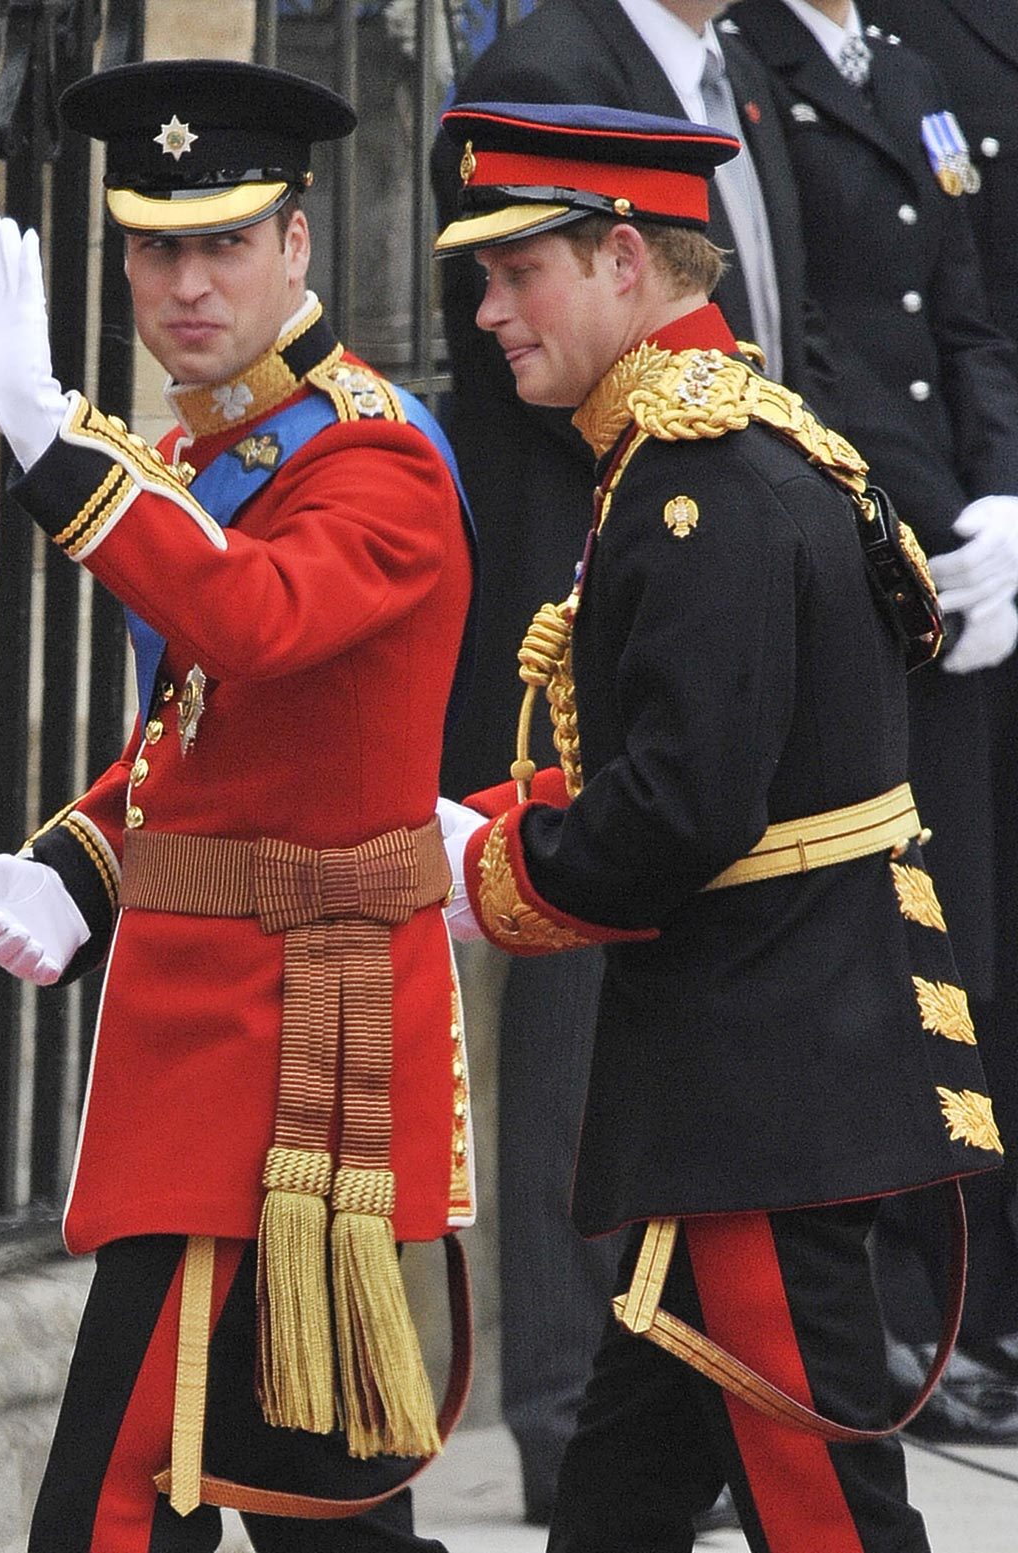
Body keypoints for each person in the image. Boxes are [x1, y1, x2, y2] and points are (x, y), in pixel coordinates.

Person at [433, 96, 1003, 1549]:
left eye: (519, 272)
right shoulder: (717, 439)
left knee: (830, 1518)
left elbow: (684, 809)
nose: (489, 311)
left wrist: (486, 865)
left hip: (763, 1076)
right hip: (753, 1071)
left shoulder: (698, 483)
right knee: (617, 1502)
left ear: (627, 258)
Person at [0, 58, 475, 1553]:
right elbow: (202, 739)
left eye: (223, 239)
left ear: (298, 245)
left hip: (298, 1057)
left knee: (116, 1504)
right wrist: (82, 858)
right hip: (223, 1040)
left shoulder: (371, 458)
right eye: (155, 245)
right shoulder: (200, 453)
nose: (184, 281)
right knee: (318, 1517)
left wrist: (60, 452)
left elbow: (255, 622)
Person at [429, 0, 837, 1522]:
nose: (489, 298)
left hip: (728, 585)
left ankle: (622, 1394)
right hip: (592, 579)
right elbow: (527, 361)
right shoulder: (549, 64)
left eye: (523, 266)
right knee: (574, 1037)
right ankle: (553, 1389)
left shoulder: (735, 75)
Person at [735, 0, 1018, 1444]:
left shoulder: (900, 69)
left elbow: (960, 315)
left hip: (964, 567)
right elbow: (802, 337)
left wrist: (1006, 501)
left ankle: (957, 1298)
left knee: (957, 936)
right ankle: (892, 1316)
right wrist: (889, 521)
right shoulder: (752, 61)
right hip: (857, 560)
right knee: (872, 942)